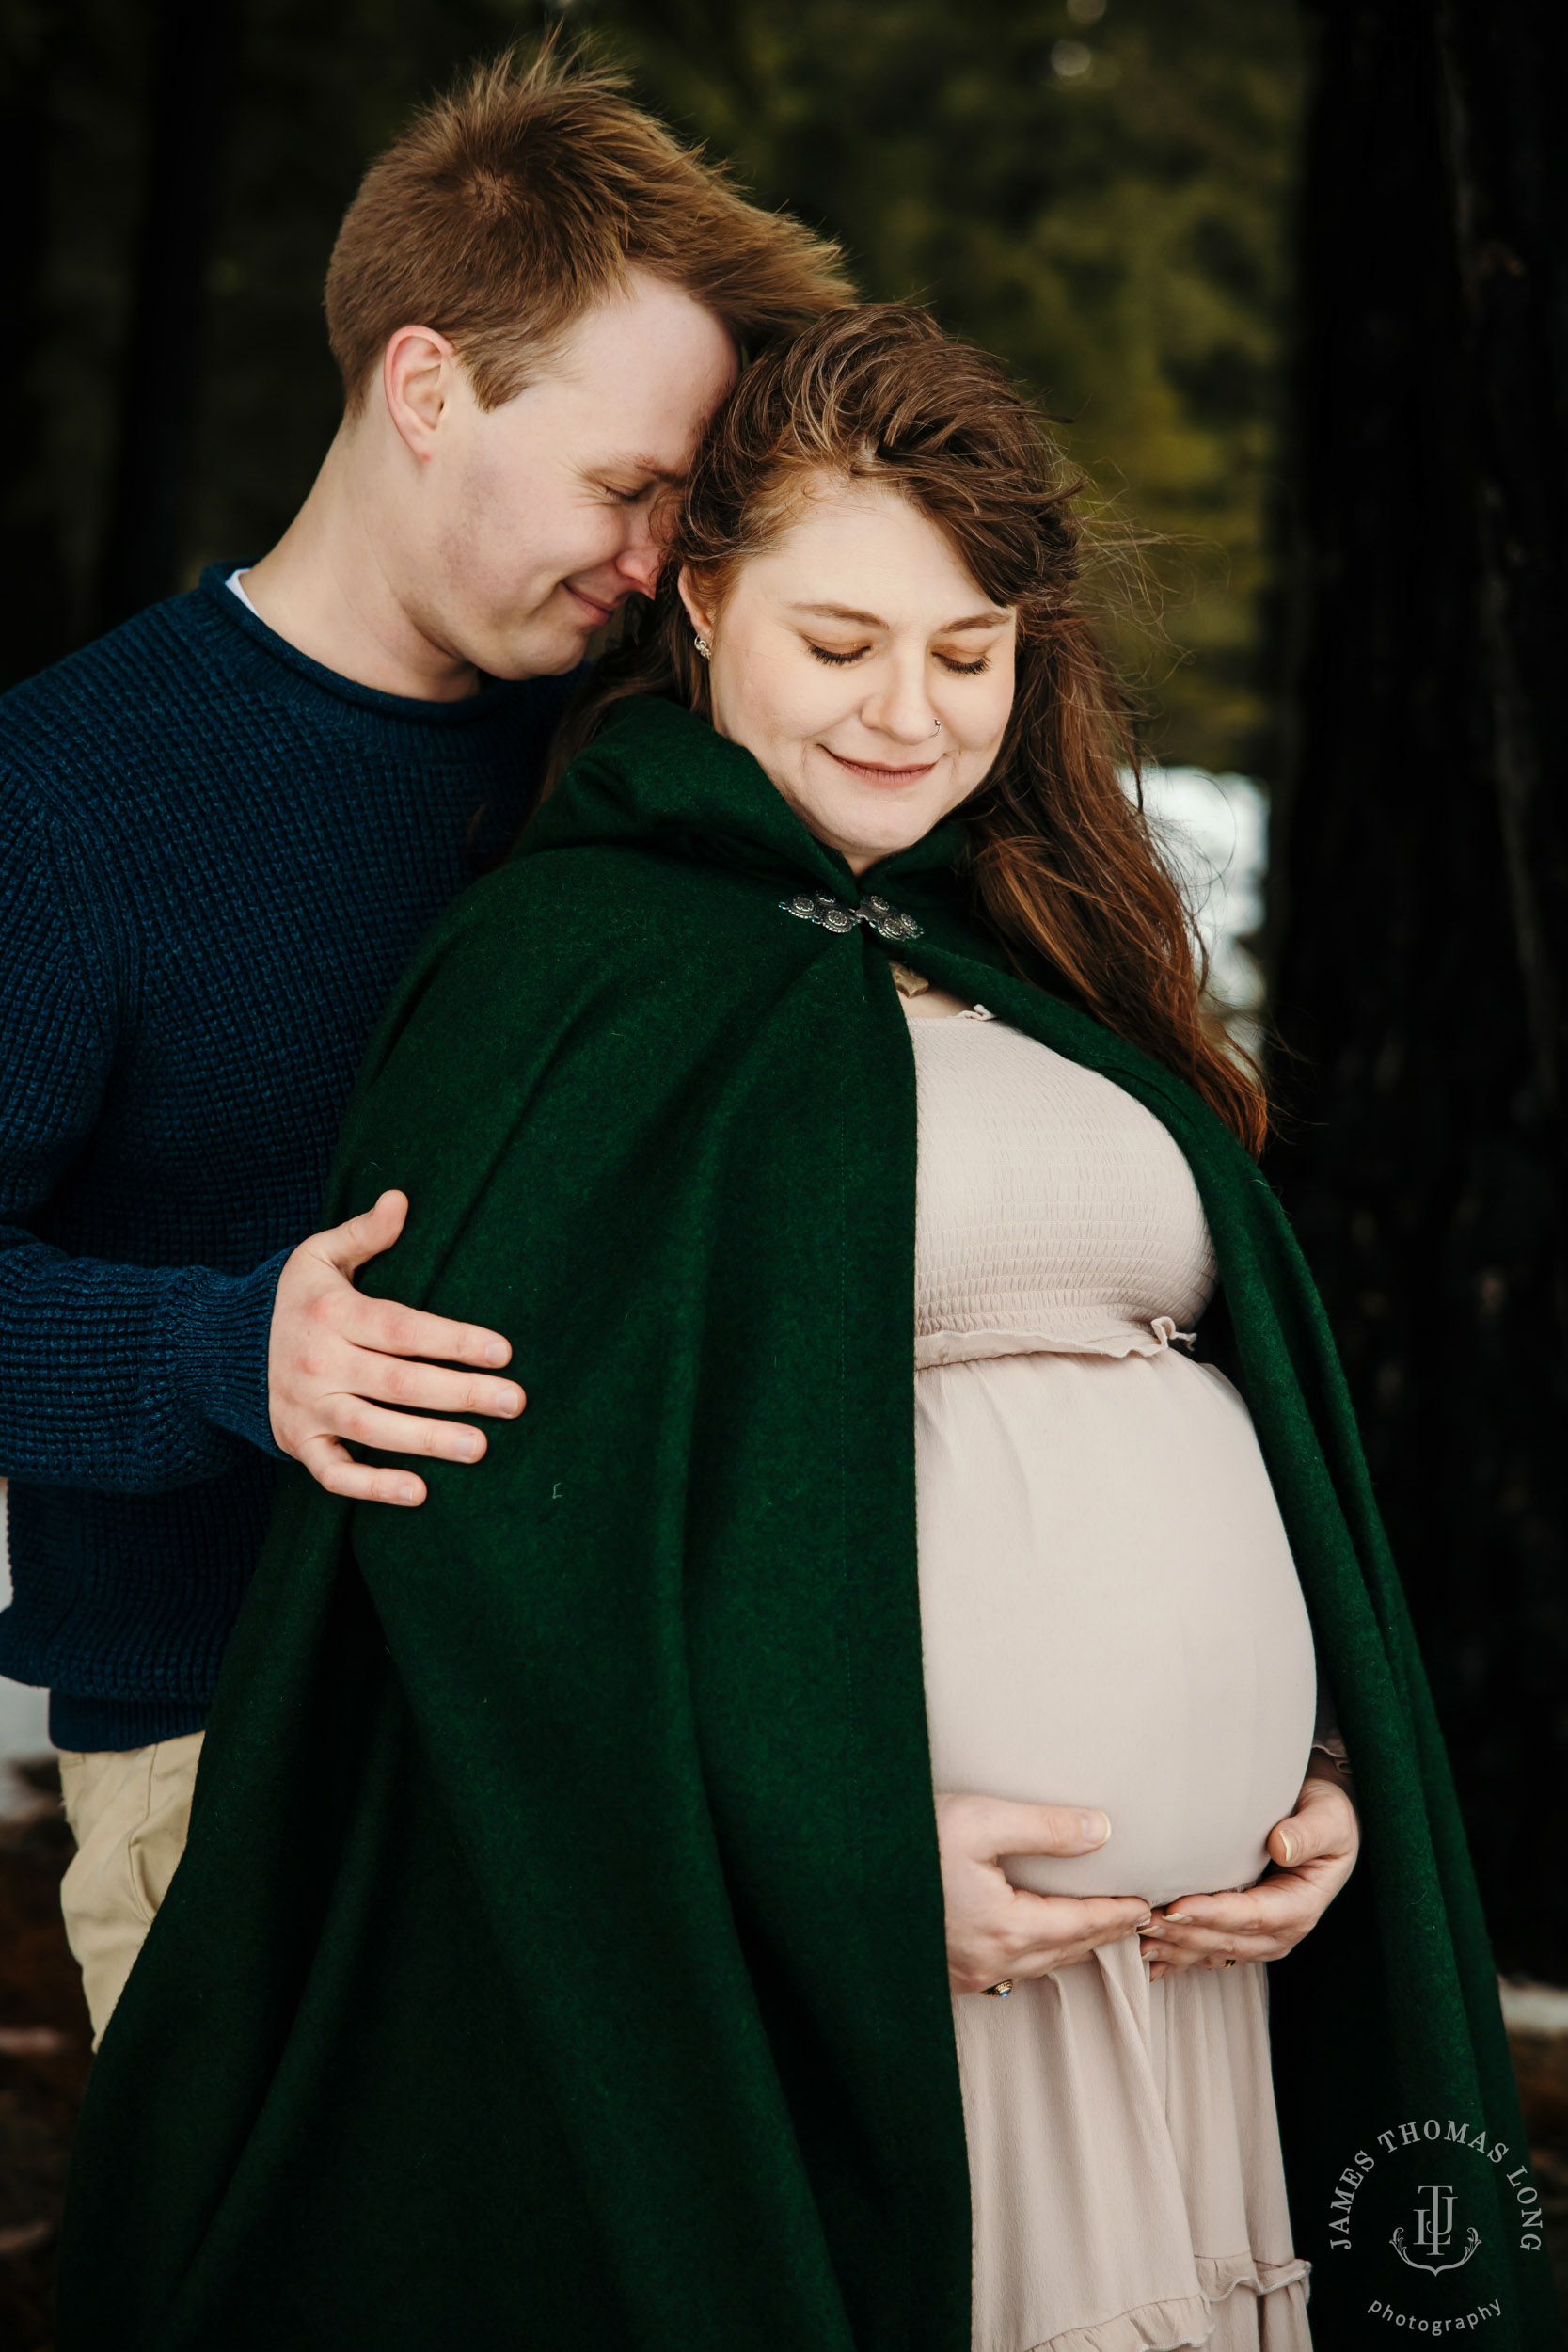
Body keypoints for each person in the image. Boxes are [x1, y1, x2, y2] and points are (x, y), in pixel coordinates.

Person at [56, 308, 1554, 2351]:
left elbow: (1241, 1416)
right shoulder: (566, 969)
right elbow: (508, 1568)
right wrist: (827, 1856)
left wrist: (1314, 1764)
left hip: (1204, 1964)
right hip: (864, 1976)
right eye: (840, 641)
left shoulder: (1026, 941)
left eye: (969, 652)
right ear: (698, 593)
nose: (909, 715)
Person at [0, 46, 847, 2041]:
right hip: (230, 1761)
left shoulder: (648, 769)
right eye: (628, 488)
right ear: (424, 388)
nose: (656, 562)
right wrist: (228, 1347)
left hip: (624, 1749)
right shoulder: (65, 792)